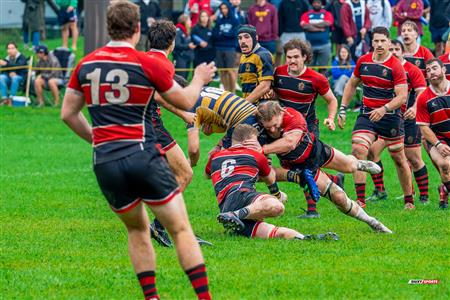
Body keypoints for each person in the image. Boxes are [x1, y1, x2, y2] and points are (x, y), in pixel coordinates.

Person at [60, 2, 216, 299]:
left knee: (137, 230)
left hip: (105, 161)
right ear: (137, 29)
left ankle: (151, 297)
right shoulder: (147, 63)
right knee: (181, 229)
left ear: (108, 28)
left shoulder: (87, 64)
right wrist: (198, 79)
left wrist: (96, 137)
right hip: (141, 155)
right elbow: (184, 101)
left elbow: (68, 114)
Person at [251, 101, 392, 233]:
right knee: (339, 198)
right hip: (302, 167)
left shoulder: (292, 116)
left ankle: (360, 164)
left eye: (275, 125)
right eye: (268, 127)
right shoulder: (259, 128)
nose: (273, 129)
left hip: (316, 151)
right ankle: (372, 222)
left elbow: (290, 143)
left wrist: (262, 149)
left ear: (280, 113)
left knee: (350, 167)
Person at [207, 124, 339, 240]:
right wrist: (278, 195)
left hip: (225, 206)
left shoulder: (215, 157)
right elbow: (270, 178)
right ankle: (234, 215)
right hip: (242, 195)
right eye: (255, 141)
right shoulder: (256, 155)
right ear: (247, 141)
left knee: (277, 233)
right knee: (277, 206)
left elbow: (208, 174)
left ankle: (307, 239)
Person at [145, 20, 211, 247]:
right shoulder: (162, 63)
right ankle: (161, 227)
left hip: (136, 126)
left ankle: (173, 227)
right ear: (172, 43)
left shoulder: (145, 59)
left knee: (167, 177)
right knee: (184, 174)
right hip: (152, 126)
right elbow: (158, 95)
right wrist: (183, 114)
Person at [338, 27, 414, 210]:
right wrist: (342, 109)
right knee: (358, 148)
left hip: (391, 117)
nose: (379, 44)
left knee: (398, 158)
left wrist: (384, 108)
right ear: (372, 42)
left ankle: (409, 199)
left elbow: (402, 96)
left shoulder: (395, 65)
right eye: (376, 41)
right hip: (367, 114)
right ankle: (360, 200)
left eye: (383, 41)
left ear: (388, 42)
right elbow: (351, 84)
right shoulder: (363, 61)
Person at [271, 38, 340, 217]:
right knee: (292, 168)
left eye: (296, 57)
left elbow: (332, 100)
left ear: (305, 57)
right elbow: (272, 94)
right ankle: (333, 180)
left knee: (304, 166)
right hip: (283, 128)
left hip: (307, 126)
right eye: (289, 57)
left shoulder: (316, 79)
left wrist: (331, 118)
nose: (292, 61)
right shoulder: (278, 73)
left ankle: (312, 210)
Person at [367, 39, 428, 204]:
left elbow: (423, 92)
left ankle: (423, 196)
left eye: (397, 49)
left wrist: (415, 108)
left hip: (408, 119)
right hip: (386, 119)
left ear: (402, 52)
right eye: (391, 48)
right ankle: (380, 191)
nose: (393, 52)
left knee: (413, 157)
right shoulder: (382, 67)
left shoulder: (412, 69)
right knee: (372, 151)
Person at [186, 86, 260, 167]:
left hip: (243, 122)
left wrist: (190, 164)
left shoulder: (190, 102)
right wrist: (218, 142)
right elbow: (225, 116)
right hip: (254, 112)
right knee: (263, 166)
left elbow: (193, 150)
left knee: (219, 165)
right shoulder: (203, 89)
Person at [416, 58, 450, 209]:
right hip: (437, 138)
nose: (431, 72)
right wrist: (438, 144)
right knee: (444, 165)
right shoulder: (423, 97)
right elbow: (423, 127)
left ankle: (444, 189)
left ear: (444, 70)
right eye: (428, 70)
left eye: (435, 68)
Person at [237, 25, 274, 104]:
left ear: (256, 38)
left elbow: (265, 86)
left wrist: (244, 104)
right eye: (240, 38)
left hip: (261, 105)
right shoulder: (243, 56)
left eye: (246, 37)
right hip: (249, 102)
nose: (243, 41)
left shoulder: (263, 55)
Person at [212, 2, 240, 93]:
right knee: (222, 71)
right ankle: (226, 92)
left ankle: (233, 92)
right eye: (222, 8)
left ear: (228, 9)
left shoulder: (234, 20)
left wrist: (222, 34)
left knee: (230, 70)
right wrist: (225, 35)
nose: (224, 10)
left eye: (225, 8)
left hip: (230, 48)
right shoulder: (219, 21)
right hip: (219, 48)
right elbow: (215, 34)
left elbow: (234, 34)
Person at [301, 0, 334, 74]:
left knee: (323, 68)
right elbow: (304, 26)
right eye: (314, 3)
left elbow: (327, 23)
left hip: (324, 45)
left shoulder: (327, 14)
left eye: (318, 3)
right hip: (310, 46)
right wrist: (319, 29)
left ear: (321, 4)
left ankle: (323, 84)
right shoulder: (306, 14)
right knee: (309, 68)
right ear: (312, 4)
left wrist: (311, 24)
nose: (316, 4)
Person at [173, 14, 196, 79]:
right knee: (180, 78)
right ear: (184, 21)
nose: (190, 22)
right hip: (180, 58)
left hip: (187, 58)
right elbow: (176, 44)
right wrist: (188, 46)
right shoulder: (178, 31)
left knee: (185, 79)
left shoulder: (186, 31)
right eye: (189, 20)